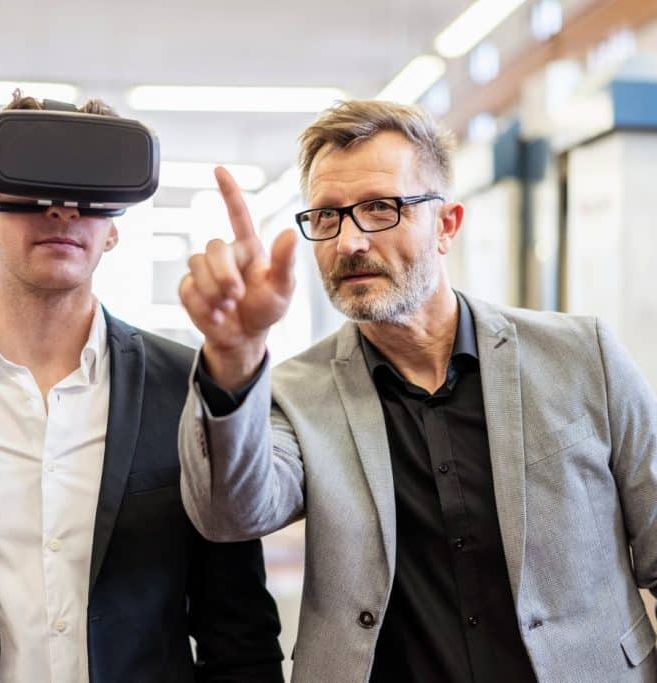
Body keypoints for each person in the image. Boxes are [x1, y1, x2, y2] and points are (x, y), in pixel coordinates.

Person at [177, 100, 657, 683]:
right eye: (327, 216)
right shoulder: (295, 395)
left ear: (447, 224)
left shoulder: (584, 358)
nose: (350, 241)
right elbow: (231, 512)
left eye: (379, 208)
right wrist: (235, 354)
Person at [0, 92, 283, 683]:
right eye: (31, 183)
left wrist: (241, 356)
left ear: (114, 229)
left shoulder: (187, 389)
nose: (62, 209)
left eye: (89, 192)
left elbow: (240, 633)